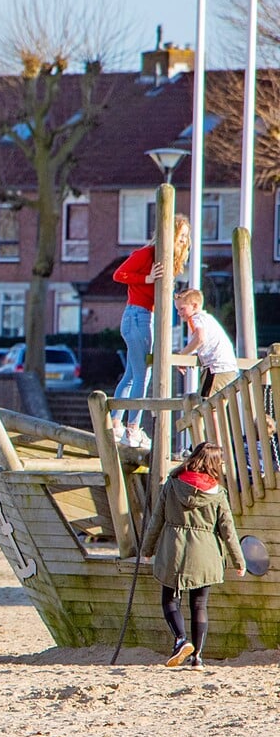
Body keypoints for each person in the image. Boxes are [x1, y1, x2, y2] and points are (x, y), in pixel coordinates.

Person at [142, 441, 245, 668]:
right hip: (206, 554)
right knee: (199, 604)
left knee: (170, 599)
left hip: (173, 550)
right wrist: (239, 561)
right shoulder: (218, 494)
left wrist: (147, 550)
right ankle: (197, 657)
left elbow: (156, 520)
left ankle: (180, 639)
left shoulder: (172, 484)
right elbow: (228, 530)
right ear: (214, 464)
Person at [112, 214, 191, 448]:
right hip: (138, 316)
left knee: (130, 375)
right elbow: (119, 275)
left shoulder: (170, 260)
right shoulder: (146, 254)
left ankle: (115, 424)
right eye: (181, 235)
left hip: (144, 317)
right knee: (142, 376)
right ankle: (132, 429)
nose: (184, 240)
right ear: (170, 234)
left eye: (186, 237)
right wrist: (147, 277)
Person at [175, 287, 237, 396]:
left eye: (182, 309)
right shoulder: (207, 318)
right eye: (177, 310)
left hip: (216, 369)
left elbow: (200, 339)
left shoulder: (195, 319)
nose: (179, 313)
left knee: (206, 406)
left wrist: (182, 354)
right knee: (217, 407)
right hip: (229, 368)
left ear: (194, 306)